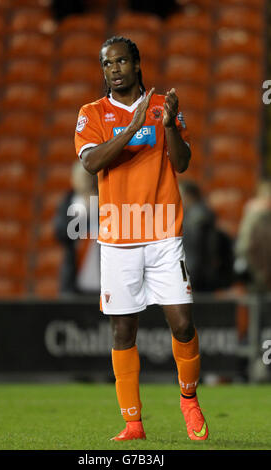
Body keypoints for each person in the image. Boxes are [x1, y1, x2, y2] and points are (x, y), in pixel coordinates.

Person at [74, 36, 208, 441]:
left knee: (182, 323)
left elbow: (181, 163)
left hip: (164, 232)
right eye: (106, 64)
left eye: (120, 62)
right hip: (118, 238)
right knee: (123, 332)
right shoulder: (92, 112)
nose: (113, 70)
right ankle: (133, 423)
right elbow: (91, 162)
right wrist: (130, 129)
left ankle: (188, 399)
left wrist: (168, 127)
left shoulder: (161, 105)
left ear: (136, 64)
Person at [53, 161, 100, 295]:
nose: (84, 181)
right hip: (75, 277)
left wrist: (94, 203)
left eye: (87, 177)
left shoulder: (105, 200)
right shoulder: (68, 201)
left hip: (100, 274)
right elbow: (60, 233)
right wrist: (84, 211)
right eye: (79, 177)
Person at [179, 180, 234, 292]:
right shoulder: (195, 214)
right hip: (196, 274)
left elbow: (195, 251)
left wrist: (186, 277)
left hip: (196, 276)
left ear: (189, 195)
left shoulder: (198, 217)